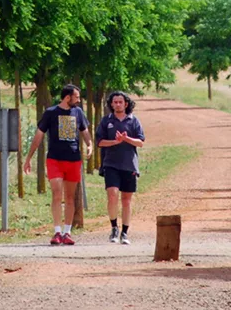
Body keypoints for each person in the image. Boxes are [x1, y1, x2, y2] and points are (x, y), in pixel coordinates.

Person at [24, 84, 92, 246]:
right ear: (67, 97)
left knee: (70, 197)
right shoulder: (50, 113)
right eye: (76, 97)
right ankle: (56, 231)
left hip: (74, 160)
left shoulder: (78, 113)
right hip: (54, 159)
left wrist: (89, 145)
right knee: (56, 192)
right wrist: (28, 158)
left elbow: (85, 132)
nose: (78, 100)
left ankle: (67, 232)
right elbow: (38, 136)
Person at [96, 91, 145, 245]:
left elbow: (141, 142)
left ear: (126, 104)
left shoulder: (133, 121)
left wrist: (125, 139)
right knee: (112, 194)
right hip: (111, 163)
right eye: (115, 102)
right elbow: (99, 141)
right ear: (111, 104)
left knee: (126, 200)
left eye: (120, 102)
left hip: (129, 164)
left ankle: (125, 231)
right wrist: (115, 142)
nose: (117, 104)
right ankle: (113, 228)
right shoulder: (106, 121)